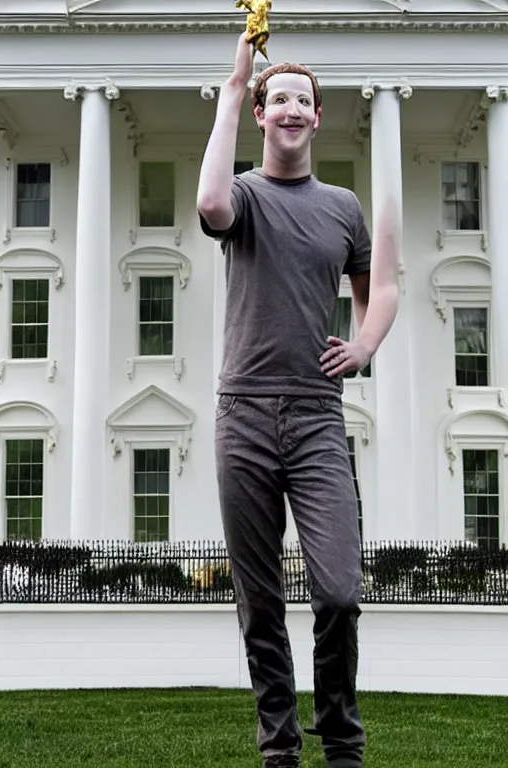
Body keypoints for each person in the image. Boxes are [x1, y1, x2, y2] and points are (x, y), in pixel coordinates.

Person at [197, 33, 399, 768]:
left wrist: (366, 345)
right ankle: (279, 747)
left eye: (302, 100)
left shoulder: (342, 208)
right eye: (277, 98)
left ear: (317, 118)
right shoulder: (245, 194)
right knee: (261, 604)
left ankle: (342, 742)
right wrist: (234, 82)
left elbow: (380, 286)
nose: (290, 108)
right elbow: (210, 202)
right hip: (243, 412)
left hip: (316, 416)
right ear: (261, 114)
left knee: (340, 590)